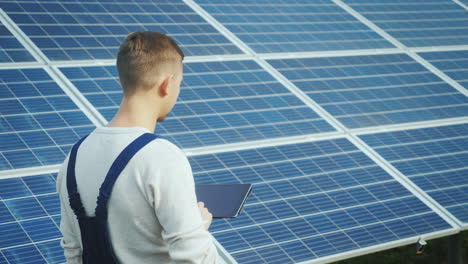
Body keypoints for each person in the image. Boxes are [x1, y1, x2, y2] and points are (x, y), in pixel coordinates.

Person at [56, 31, 220, 263]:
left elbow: (74, 252)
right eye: (179, 84)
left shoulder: (73, 157)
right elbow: (195, 257)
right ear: (166, 84)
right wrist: (196, 230)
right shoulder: (162, 157)